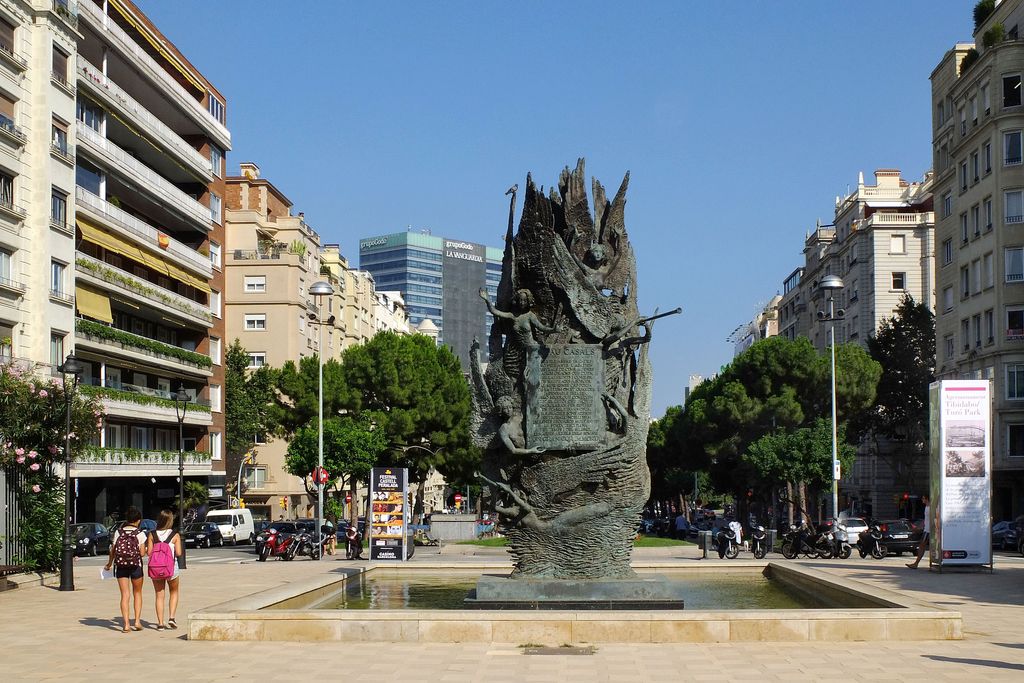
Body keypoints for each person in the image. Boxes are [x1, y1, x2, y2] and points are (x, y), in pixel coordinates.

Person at [104, 506, 147, 632]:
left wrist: (109, 563)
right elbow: (143, 553)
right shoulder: (140, 534)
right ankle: (137, 622)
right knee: (137, 593)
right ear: (138, 520)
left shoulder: (118, 532)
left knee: (124, 594)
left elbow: (113, 550)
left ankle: (126, 624)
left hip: (121, 566)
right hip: (136, 566)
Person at [146, 509, 183, 630]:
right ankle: (171, 617)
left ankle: (160, 623)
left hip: (156, 568)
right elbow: (178, 552)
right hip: (171, 567)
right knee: (174, 591)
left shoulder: (152, 534)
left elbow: (149, 553)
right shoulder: (175, 535)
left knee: (159, 594)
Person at [907, 495, 931, 569]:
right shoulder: (926, 507)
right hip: (926, 529)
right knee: (922, 546)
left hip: (928, 530)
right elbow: (926, 520)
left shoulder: (930, 507)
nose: (922, 499)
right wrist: (920, 527)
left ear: (927, 499)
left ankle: (916, 563)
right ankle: (916, 563)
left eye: (923, 498)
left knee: (922, 546)